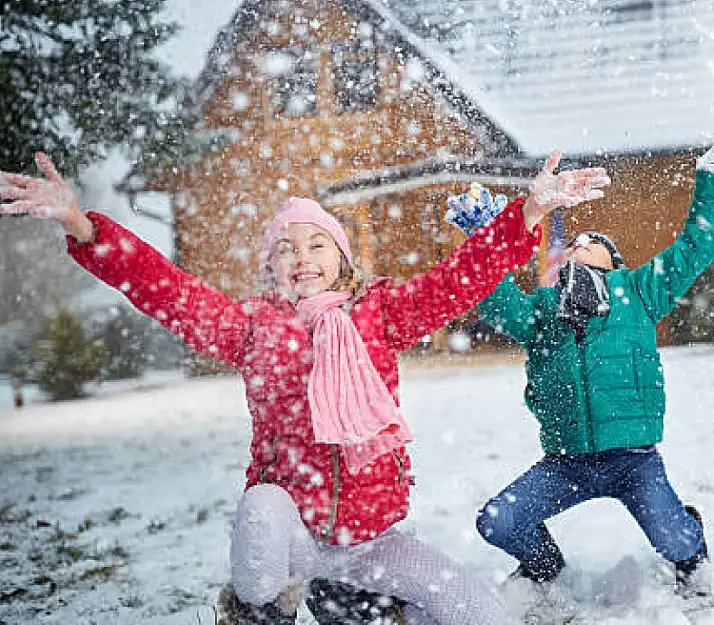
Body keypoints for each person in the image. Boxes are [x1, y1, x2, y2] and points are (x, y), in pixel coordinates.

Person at [0, 151, 609, 625]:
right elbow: (167, 289)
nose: (302, 255)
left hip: (371, 542)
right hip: (296, 541)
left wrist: (526, 216)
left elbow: (458, 280)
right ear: (273, 269)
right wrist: (83, 225)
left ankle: (376, 610)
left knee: (479, 613)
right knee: (261, 507)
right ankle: (263, 613)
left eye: (317, 243)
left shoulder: (381, 314)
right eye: (286, 249)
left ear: (342, 260)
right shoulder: (250, 330)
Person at [447, 126, 714, 602]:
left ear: (615, 261)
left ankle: (691, 547)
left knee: (673, 541)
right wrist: (484, 241)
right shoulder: (545, 311)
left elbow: (699, 245)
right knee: (497, 521)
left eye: (592, 241)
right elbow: (493, 299)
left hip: (634, 461)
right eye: (572, 243)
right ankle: (544, 566)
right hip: (565, 463)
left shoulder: (641, 294)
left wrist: (709, 178)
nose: (577, 244)